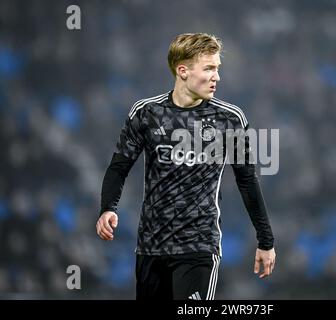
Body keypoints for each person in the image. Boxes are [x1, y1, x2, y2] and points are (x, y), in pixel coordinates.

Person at [96, 33, 275, 300]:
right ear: (183, 71)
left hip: (199, 246)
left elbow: (247, 180)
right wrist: (108, 207)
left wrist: (266, 241)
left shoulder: (229, 119)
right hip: (151, 247)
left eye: (217, 68)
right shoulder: (147, 113)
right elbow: (119, 166)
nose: (217, 77)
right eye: (209, 68)